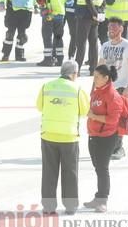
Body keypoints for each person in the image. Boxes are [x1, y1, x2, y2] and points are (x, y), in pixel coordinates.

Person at [36, 60, 90, 215]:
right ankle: (71, 206)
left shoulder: (47, 86)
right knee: (70, 172)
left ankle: (48, 206)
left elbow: (39, 106)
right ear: (74, 74)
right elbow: (84, 111)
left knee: (49, 172)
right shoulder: (78, 89)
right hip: (69, 137)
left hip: (48, 135)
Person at [85, 65, 124, 213]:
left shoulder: (112, 95)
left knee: (102, 168)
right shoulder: (97, 91)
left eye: (96, 77)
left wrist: (93, 116)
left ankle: (103, 200)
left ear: (106, 78)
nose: (93, 80)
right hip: (94, 135)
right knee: (98, 167)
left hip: (106, 137)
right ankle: (98, 197)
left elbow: (114, 119)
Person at [98, 17, 128, 160]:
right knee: (105, 119)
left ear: (121, 29)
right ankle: (108, 146)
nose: (111, 30)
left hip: (121, 88)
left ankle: (119, 147)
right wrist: (95, 88)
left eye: (114, 28)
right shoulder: (104, 46)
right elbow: (100, 67)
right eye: (109, 28)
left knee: (119, 119)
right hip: (106, 88)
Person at [33, 0, 73, 66]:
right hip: (60, 15)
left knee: (47, 36)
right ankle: (60, 59)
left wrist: (42, 3)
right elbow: (70, 2)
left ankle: (48, 59)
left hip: (49, 14)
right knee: (58, 36)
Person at [74, 0, 106, 76]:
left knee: (81, 43)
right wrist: (99, 14)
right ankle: (93, 69)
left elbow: (88, 1)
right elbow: (103, 3)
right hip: (94, 18)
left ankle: (76, 69)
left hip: (85, 17)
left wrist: (94, 13)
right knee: (93, 43)